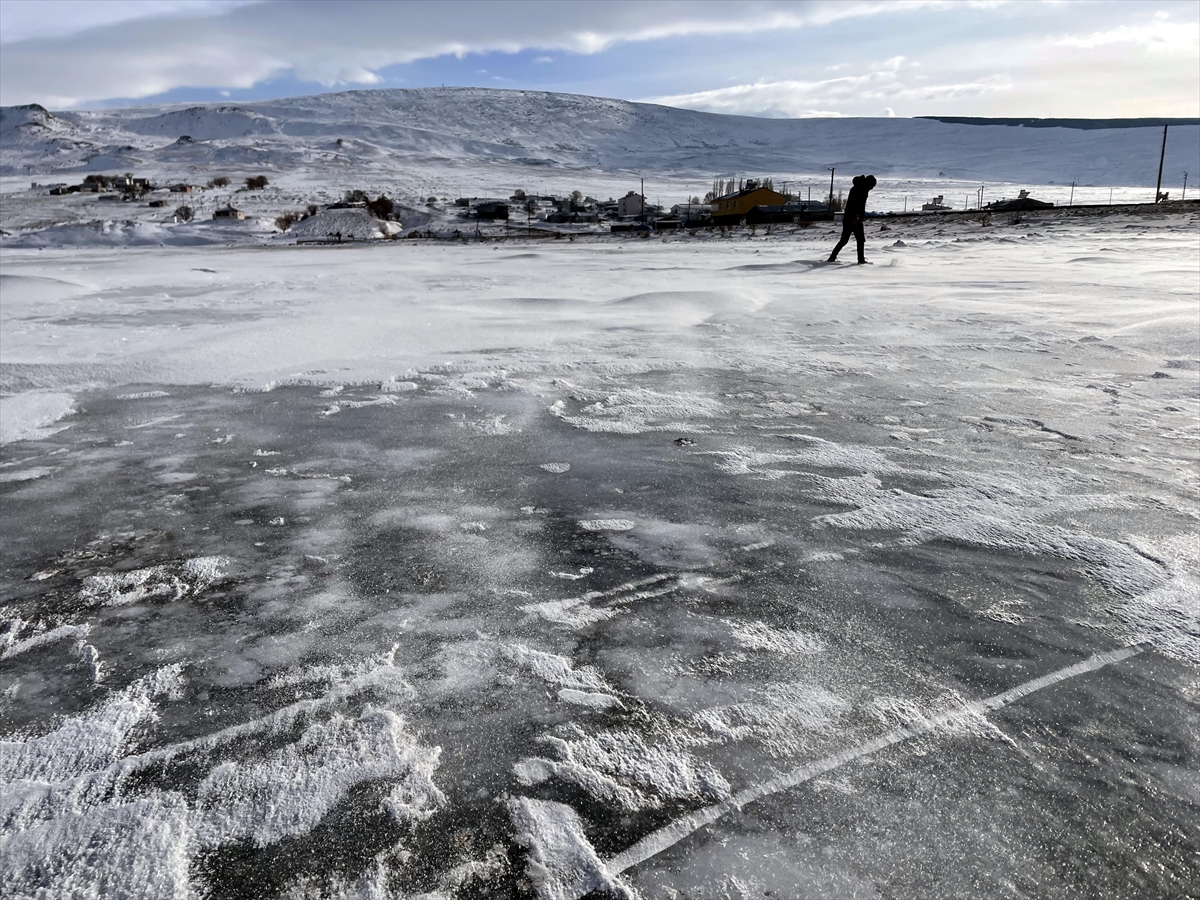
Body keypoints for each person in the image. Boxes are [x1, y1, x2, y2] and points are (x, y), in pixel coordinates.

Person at [828, 174, 876, 264]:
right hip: (852, 219)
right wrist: (855, 216)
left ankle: (860, 259)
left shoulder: (861, 188)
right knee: (846, 240)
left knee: (859, 240)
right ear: (868, 183)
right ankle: (832, 257)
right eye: (872, 186)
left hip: (854, 218)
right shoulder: (859, 189)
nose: (872, 188)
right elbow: (853, 205)